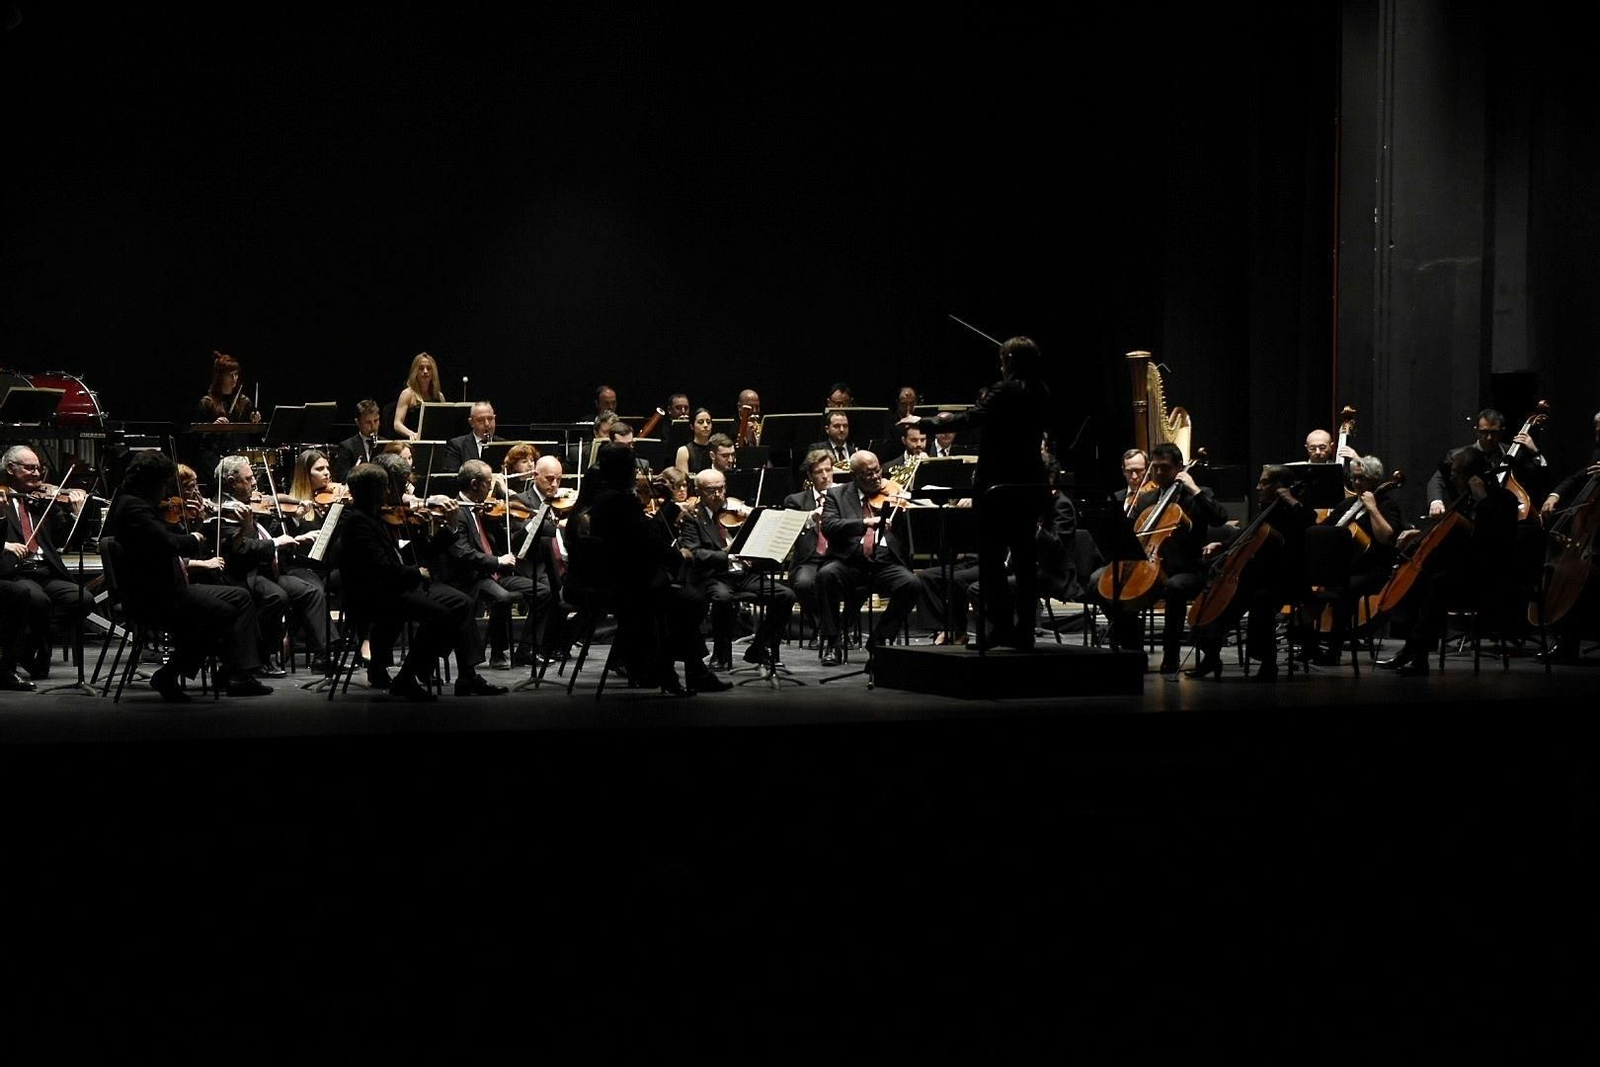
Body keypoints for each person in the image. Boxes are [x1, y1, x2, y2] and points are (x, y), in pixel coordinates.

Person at [901, 335, 1054, 649]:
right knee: (1025, 562)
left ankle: (1001, 629)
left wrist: (923, 422)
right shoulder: (1042, 391)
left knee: (991, 561)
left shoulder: (1002, 390)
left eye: (1003, 359)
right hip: (1029, 485)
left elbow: (969, 418)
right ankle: (1023, 632)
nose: (1001, 364)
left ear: (1009, 361)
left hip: (998, 487)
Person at [102, 451, 270, 700]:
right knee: (221, 612)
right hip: (153, 596)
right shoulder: (134, 508)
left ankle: (236, 672)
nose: (165, 491)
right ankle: (170, 674)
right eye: (163, 484)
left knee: (240, 597)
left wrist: (197, 522)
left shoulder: (139, 504)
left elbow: (163, 534)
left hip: (170, 588)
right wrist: (196, 537)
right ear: (152, 481)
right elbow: (168, 543)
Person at [583, 443, 727, 695]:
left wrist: (668, 506)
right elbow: (649, 542)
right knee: (690, 600)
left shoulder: (606, 497)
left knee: (685, 599)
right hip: (629, 586)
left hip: (623, 580)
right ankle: (671, 669)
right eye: (631, 467)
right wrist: (676, 547)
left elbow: (648, 539)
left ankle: (681, 670)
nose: (635, 474)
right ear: (624, 469)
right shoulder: (620, 501)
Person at [1378, 447, 1519, 676]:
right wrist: (1419, 535)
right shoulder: (1464, 500)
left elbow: (1489, 541)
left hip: (1489, 577)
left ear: (1474, 475)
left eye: (1457, 472)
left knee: (1437, 583)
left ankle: (1419, 655)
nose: (1451, 477)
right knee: (1419, 578)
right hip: (1464, 571)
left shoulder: (1503, 500)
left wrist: (1481, 499)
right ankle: (1411, 648)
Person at [1089, 441, 1228, 673]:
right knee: (1098, 582)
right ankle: (1133, 647)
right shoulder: (1146, 499)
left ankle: (1171, 656)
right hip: (1148, 564)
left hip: (1186, 568)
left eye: (1166, 468)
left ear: (1179, 468)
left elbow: (1220, 519)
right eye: (1156, 468)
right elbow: (1134, 535)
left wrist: (1194, 488)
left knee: (1174, 587)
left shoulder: (1197, 496)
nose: (1160, 473)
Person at [214, 455, 327, 676]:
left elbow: (271, 530)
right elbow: (242, 549)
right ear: (230, 482)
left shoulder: (252, 503)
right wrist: (275, 543)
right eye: (248, 479)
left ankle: (323, 655)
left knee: (312, 591)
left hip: (269, 570)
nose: (255, 483)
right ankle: (260, 655)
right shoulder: (224, 510)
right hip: (245, 573)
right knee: (277, 597)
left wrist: (294, 529)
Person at [679, 467, 795, 670]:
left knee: (785, 595)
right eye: (710, 490)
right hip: (714, 576)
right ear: (698, 492)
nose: (718, 495)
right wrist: (728, 554)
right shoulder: (692, 517)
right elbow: (695, 553)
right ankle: (720, 653)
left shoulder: (737, 513)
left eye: (721, 489)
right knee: (722, 598)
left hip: (743, 574)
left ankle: (760, 647)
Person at [816, 451, 922, 665]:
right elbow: (829, 526)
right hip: (849, 562)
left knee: (911, 584)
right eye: (867, 474)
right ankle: (832, 642)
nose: (875, 477)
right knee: (826, 576)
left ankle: (879, 639)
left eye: (877, 471)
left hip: (883, 562)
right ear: (854, 476)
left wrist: (910, 507)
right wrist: (864, 523)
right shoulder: (837, 495)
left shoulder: (893, 494)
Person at [439, 459, 542, 670]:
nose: (491, 488)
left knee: (543, 592)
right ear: (475, 484)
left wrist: (502, 500)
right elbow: (463, 553)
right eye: (488, 483)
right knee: (502, 598)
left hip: (496, 572)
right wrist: (497, 561)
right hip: (471, 576)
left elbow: (505, 536)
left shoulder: (484, 509)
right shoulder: (456, 511)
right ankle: (498, 653)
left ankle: (526, 649)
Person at [1, 445, 92, 680]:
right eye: (30, 468)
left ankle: (28, 642)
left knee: (81, 598)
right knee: (37, 601)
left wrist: (76, 513)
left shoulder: (42, 501)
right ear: (11, 469)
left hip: (46, 570)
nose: (37, 474)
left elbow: (65, 540)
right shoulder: (2, 497)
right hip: (17, 571)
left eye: (39, 469)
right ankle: (35, 653)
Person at [783, 450, 837, 632]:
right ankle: (823, 628)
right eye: (818, 472)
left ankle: (841, 627)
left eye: (828, 470)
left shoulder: (845, 496)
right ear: (809, 475)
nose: (825, 476)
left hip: (839, 558)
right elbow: (789, 533)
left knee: (860, 583)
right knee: (803, 584)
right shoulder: (795, 501)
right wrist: (810, 518)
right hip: (810, 560)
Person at [196, 351, 260, 426]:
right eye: (230, 375)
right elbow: (196, 434)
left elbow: (252, 434)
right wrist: (212, 427)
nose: (234, 378)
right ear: (220, 377)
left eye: (236, 374)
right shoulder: (206, 403)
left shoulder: (244, 402)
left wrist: (254, 420)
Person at [393, 352, 445, 441]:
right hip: (413, 443)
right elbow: (397, 424)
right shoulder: (407, 394)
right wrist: (411, 434)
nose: (425, 371)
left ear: (433, 372)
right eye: (421, 368)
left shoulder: (439, 396)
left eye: (429, 368)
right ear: (415, 371)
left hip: (434, 441)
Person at [443, 401, 502, 471]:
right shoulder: (456, 446)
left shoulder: (504, 444)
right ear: (471, 422)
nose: (487, 424)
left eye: (490, 419)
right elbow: (452, 475)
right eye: (480, 420)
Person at [333, 400, 384, 481]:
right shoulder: (347, 446)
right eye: (368, 422)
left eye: (376, 421)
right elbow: (341, 477)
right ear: (358, 422)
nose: (373, 427)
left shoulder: (385, 444)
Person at [674, 408, 716, 476]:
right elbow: (682, 481)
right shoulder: (684, 451)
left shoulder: (716, 449)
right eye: (700, 422)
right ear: (692, 426)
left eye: (708, 422)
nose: (705, 425)